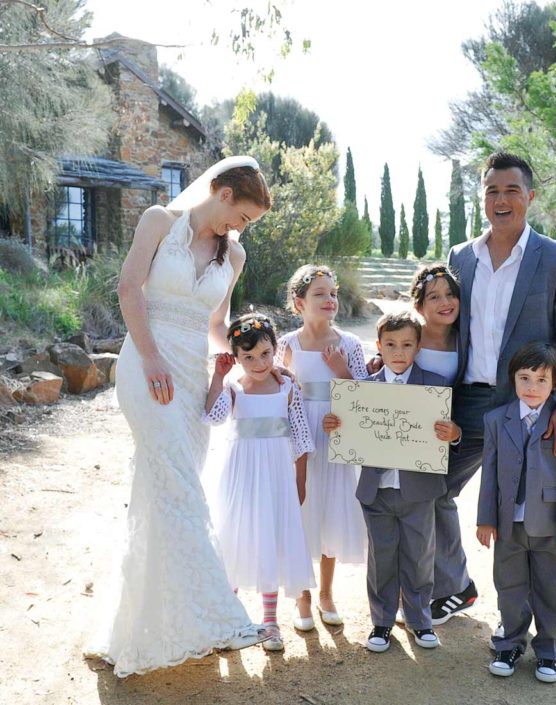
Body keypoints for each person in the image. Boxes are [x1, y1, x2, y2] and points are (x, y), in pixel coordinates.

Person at [88, 156, 272, 678]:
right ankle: (222, 617)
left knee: (164, 489)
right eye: (243, 216)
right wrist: (150, 359)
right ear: (223, 193)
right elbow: (128, 289)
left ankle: (138, 629)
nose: (241, 228)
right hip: (147, 364)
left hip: (192, 375)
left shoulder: (234, 254)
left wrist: (240, 357)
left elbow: (216, 322)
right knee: (178, 486)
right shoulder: (158, 222)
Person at [434, 151, 556, 626]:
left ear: (530, 196)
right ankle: (456, 587)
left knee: (523, 524)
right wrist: (396, 354)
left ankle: (523, 629)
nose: (501, 200)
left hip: (528, 409)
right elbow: (444, 323)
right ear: (482, 197)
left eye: (511, 190)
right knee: (430, 490)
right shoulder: (460, 257)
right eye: (492, 191)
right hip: (467, 402)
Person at [324, 311, 461, 653]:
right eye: (391, 345)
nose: (398, 352)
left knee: (419, 557)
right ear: (379, 346)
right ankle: (382, 623)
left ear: (418, 347)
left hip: (419, 491)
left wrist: (454, 433)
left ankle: (420, 621)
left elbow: (451, 431)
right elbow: (351, 435)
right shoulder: (363, 390)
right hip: (377, 490)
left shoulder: (435, 386)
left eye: (406, 345)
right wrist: (336, 426)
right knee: (382, 558)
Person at [202, 314, 316, 653]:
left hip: (276, 473)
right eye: (248, 357)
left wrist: (300, 480)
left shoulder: (287, 387)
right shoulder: (235, 389)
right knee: (236, 537)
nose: (259, 363)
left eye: (265, 354)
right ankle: (232, 619)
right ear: (237, 357)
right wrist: (218, 376)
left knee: (270, 538)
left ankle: (270, 621)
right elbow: (212, 416)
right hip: (241, 473)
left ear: (275, 349)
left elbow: (301, 436)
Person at [477, 342, 556, 683]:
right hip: (508, 524)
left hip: (548, 524)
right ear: (513, 379)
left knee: (548, 588)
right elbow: (489, 473)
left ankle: (549, 650)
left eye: (541, 380)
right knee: (509, 587)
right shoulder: (496, 420)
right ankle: (508, 643)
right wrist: (486, 519)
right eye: (524, 378)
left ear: (555, 384)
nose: (532, 387)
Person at [275, 265, 368, 631]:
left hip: (334, 433)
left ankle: (327, 592)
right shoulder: (287, 345)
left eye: (333, 293)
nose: (330, 299)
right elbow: (274, 387)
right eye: (320, 294)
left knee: (330, 509)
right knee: (300, 509)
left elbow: (366, 397)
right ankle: (302, 594)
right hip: (299, 435)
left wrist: (342, 371)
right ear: (299, 303)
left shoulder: (349, 343)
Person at [408, 264, 479, 625]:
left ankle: (458, 586)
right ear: (419, 306)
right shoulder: (411, 336)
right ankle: (424, 584)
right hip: (414, 433)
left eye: (451, 294)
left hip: (454, 431)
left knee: (440, 495)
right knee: (414, 502)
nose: (445, 302)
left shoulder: (467, 338)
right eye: (434, 296)